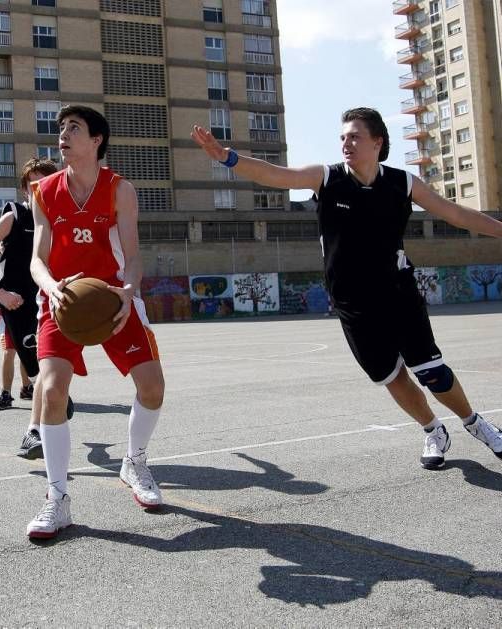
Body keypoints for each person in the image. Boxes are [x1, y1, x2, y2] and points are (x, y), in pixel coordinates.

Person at [192, 107, 502, 471]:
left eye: (354, 136)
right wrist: (227, 157)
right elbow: (275, 175)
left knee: (432, 371)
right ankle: (433, 430)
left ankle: (476, 423)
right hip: (352, 301)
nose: (346, 143)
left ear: (377, 142)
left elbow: (456, 213)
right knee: (391, 376)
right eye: (342, 137)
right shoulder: (327, 179)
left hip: (397, 292)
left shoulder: (402, 183)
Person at [27, 104, 165, 539]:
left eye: (73, 128)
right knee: (51, 390)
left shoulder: (119, 190)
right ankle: (57, 498)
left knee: (153, 386)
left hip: (110, 297)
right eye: (60, 129)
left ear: (96, 140)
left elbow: (135, 253)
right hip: (63, 298)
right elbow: (37, 260)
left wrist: (128, 289)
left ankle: (135, 461)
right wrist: (50, 287)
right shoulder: (44, 191)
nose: (62, 135)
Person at [0, 158, 70, 458]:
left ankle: (44, 422)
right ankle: (33, 433)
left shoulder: (57, 219)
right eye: (31, 184)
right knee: (39, 370)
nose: (37, 190)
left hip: (47, 299)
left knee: (52, 372)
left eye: (43, 183)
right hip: (17, 303)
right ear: (24, 189)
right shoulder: (15, 214)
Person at [0, 287, 32, 410]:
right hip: (8, 316)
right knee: (9, 352)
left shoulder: (29, 268)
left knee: (26, 350)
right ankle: (6, 393)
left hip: (28, 314)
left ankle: (27, 387)